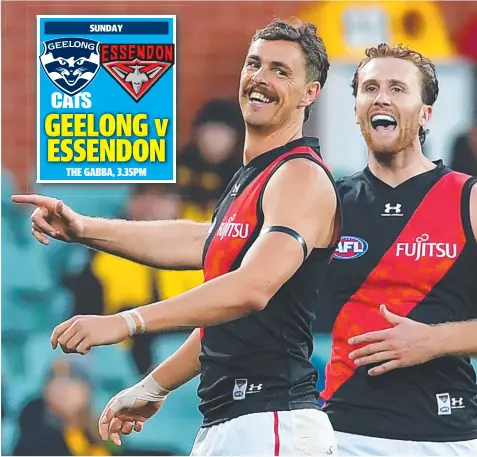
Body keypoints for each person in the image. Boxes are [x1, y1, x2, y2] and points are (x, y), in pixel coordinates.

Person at [13, 19, 341, 456]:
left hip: (273, 421)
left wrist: (125, 322)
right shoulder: (251, 180)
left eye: (281, 70)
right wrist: (85, 230)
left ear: (310, 93)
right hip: (233, 421)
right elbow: (198, 247)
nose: (260, 78)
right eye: (254, 64)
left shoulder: (300, 174)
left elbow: (251, 288)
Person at [320, 43, 477, 456]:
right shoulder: (328, 202)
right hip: (342, 433)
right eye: (369, 88)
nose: (381, 97)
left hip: (447, 436)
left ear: (425, 113)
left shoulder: (468, 198)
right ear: (356, 109)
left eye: (397, 87)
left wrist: (435, 341)